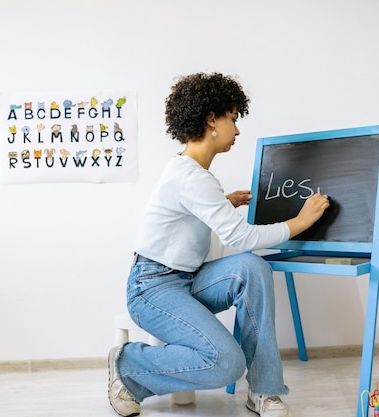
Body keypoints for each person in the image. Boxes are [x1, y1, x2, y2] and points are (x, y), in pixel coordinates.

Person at [107, 72, 330, 417]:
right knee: (226, 363)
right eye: (233, 118)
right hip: (151, 287)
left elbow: (187, 215)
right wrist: (299, 222)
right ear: (212, 119)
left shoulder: (194, 176)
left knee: (253, 268)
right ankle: (129, 363)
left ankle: (264, 390)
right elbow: (240, 238)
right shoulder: (191, 178)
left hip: (185, 279)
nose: (237, 130)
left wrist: (221, 202)